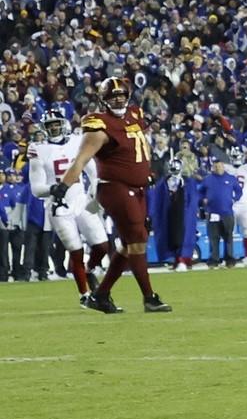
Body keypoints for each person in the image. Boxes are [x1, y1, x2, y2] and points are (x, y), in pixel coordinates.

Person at [52, 77, 171, 313]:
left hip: (138, 189)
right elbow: (81, 160)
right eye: (112, 96)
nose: (117, 99)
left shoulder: (134, 114)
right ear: (103, 100)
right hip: (115, 188)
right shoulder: (99, 125)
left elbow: (138, 147)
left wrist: (147, 169)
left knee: (129, 245)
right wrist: (62, 188)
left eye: (121, 95)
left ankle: (101, 295)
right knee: (137, 240)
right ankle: (149, 297)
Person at [28, 109, 110, 304]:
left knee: (102, 245)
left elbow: (91, 169)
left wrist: (94, 189)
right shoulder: (38, 150)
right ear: (45, 128)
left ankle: (90, 270)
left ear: (63, 123)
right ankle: (84, 295)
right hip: (59, 206)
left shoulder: (77, 140)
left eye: (56, 123)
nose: (54, 127)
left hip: (82, 200)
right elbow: (36, 188)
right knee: (75, 250)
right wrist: (52, 188)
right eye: (50, 125)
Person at [199, 159, 243, 269]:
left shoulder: (231, 178)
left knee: (228, 237)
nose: (218, 168)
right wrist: (203, 200)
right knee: (214, 238)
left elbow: (239, 191)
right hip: (212, 213)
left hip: (227, 213)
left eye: (220, 166)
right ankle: (214, 260)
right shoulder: (208, 180)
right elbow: (200, 192)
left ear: (223, 166)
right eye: (216, 166)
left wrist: (234, 199)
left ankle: (229, 259)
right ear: (213, 168)